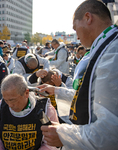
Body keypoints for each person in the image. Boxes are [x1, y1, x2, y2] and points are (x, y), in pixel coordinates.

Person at [38, 1, 118, 149]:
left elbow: (110, 132)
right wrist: (57, 90)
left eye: (75, 28)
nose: (77, 36)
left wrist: (64, 135)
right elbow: (89, 98)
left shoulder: (112, 54)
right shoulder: (104, 47)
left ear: (88, 17)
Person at [0, 74, 58, 150]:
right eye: (6, 100)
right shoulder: (0, 107)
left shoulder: (45, 108)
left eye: (12, 100)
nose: (10, 105)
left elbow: (51, 142)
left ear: (26, 93)